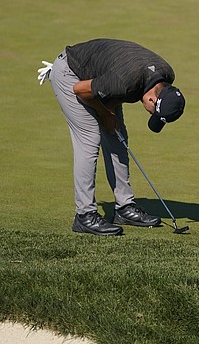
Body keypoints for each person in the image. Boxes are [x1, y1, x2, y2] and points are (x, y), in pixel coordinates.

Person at [38, 39, 186, 236]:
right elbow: (80, 90)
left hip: (105, 77)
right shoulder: (123, 83)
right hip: (71, 75)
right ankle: (85, 215)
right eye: (153, 113)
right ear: (152, 99)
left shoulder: (165, 73)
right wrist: (106, 114)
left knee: (117, 136)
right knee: (89, 138)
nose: (151, 114)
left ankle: (124, 208)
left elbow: (114, 85)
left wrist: (110, 114)